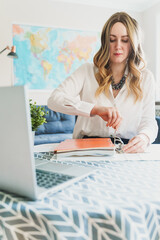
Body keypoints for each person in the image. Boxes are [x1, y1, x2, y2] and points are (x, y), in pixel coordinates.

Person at [47, 12, 158, 153]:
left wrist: (144, 137)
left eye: (125, 40)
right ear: (105, 42)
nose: (118, 46)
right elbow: (54, 100)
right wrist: (94, 109)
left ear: (134, 43)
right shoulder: (86, 71)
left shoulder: (146, 78)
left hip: (125, 150)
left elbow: (149, 122)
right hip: (85, 149)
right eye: (112, 40)